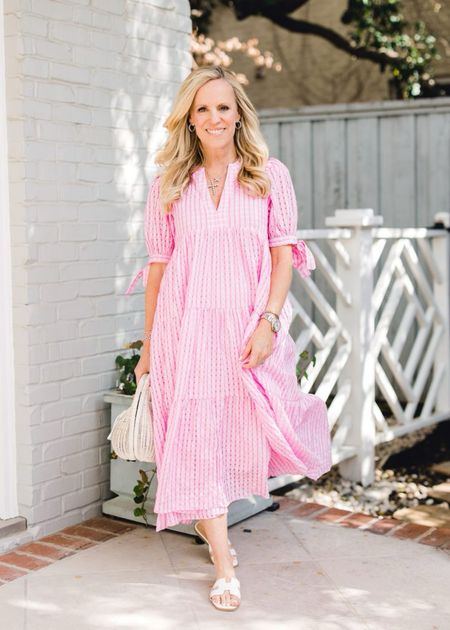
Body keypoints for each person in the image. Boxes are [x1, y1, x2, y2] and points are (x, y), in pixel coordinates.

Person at [127, 65, 332, 612]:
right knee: (192, 437)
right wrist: (149, 343)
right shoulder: (168, 185)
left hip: (243, 331)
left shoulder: (268, 175)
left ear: (237, 112)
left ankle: (212, 530)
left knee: (238, 430)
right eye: (202, 109)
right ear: (188, 121)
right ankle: (223, 565)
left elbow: (282, 256)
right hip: (183, 332)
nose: (214, 118)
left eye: (223, 107)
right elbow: (157, 269)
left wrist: (267, 321)